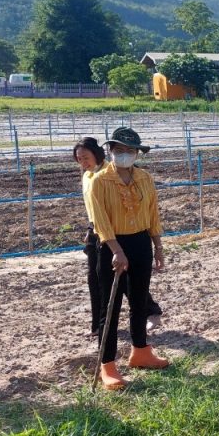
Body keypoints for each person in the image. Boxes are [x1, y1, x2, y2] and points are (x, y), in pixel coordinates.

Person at [84, 127, 170, 390]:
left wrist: (157, 246)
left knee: (139, 300)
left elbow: (152, 213)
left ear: (137, 153)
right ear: (110, 151)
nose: (124, 154)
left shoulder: (145, 178)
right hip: (111, 246)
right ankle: (107, 365)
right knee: (110, 307)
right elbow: (100, 220)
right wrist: (117, 251)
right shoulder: (100, 181)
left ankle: (141, 351)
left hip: (141, 242)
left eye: (129, 150)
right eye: (119, 150)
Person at [74, 137, 163, 338]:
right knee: (96, 280)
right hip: (99, 233)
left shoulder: (118, 176)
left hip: (122, 235)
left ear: (97, 154)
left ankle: (149, 313)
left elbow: (150, 212)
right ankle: (99, 327)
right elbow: (96, 211)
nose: (83, 162)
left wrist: (157, 246)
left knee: (131, 284)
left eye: (86, 157)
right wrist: (92, 229)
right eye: (79, 158)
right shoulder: (90, 176)